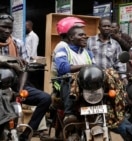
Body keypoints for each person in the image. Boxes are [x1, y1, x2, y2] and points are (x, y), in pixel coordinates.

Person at [0, 13, 51, 141]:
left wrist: (20, 90)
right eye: (3, 27)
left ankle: (26, 134)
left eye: (9, 28)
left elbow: (24, 69)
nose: (7, 30)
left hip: (15, 84)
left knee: (45, 98)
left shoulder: (18, 43)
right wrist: (9, 61)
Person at [87, 18, 132, 141]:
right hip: (91, 81)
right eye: (104, 26)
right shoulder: (90, 41)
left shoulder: (115, 44)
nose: (107, 28)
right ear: (99, 27)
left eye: (109, 26)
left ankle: (129, 131)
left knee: (115, 108)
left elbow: (119, 63)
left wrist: (124, 78)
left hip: (110, 82)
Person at [51, 17, 94, 124]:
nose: (85, 36)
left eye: (84, 34)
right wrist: (85, 66)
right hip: (61, 82)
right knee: (69, 78)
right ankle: (68, 113)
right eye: (80, 34)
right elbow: (63, 69)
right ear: (70, 36)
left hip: (83, 82)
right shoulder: (62, 47)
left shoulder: (87, 52)